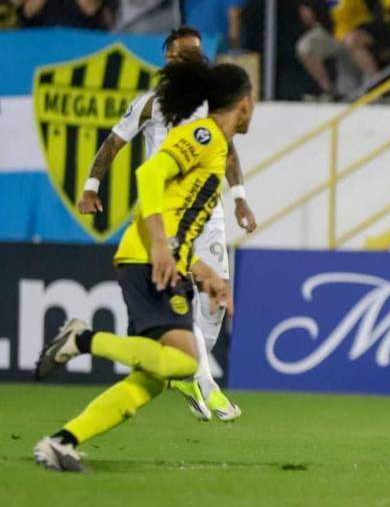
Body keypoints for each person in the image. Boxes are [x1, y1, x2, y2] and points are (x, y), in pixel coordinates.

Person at [33, 60, 256, 474]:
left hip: (165, 260)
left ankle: (61, 442)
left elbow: (177, 217)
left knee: (150, 379)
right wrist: (159, 246)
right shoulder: (204, 135)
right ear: (244, 104)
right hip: (148, 259)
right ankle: (81, 339)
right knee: (186, 363)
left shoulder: (216, 146)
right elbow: (149, 173)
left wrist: (204, 272)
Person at [76, 26, 256, 422]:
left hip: (210, 212)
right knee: (184, 298)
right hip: (172, 213)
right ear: (170, 60)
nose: (196, 59)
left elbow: (227, 151)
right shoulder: (152, 104)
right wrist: (91, 186)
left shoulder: (212, 104)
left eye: (199, 52)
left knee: (216, 303)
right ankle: (203, 383)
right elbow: (113, 145)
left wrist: (240, 198)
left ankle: (193, 374)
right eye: (186, 53)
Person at [295, 0, 378, 99]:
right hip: (332, 32)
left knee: (350, 90)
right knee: (305, 47)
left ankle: (378, 88)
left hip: (356, 29)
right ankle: (329, 91)